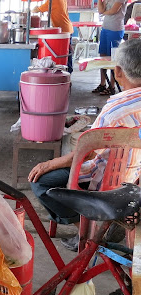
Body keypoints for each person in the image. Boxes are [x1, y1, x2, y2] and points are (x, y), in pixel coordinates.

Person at [29, 39, 141, 251]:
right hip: (137, 180)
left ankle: (88, 227)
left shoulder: (115, 109)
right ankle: (104, 225)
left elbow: (88, 152)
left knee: (41, 181)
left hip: (111, 180)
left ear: (118, 72)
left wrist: (51, 163)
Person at [93, 0, 126, 95]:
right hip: (105, 28)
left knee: (114, 58)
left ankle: (112, 85)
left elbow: (114, 10)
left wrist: (103, 13)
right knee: (103, 55)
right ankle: (102, 83)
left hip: (115, 29)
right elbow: (100, 10)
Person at [32, 0, 74, 73]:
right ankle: (68, 72)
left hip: (63, 30)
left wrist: (32, 10)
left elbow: (37, 9)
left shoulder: (52, 1)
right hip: (67, 28)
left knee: (65, 54)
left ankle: (66, 73)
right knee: (67, 53)